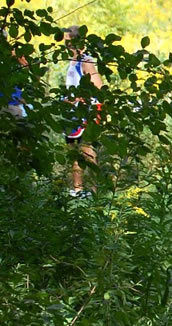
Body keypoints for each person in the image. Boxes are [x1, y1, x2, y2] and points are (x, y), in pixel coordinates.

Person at [63, 25, 103, 197]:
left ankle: (93, 191)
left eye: (69, 40)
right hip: (72, 112)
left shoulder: (86, 61)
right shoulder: (72, 61)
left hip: (87, 111)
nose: (67, 44)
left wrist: (79, 98)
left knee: (87, 150)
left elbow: (98, 87)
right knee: (73, 151)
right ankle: (77, 189)